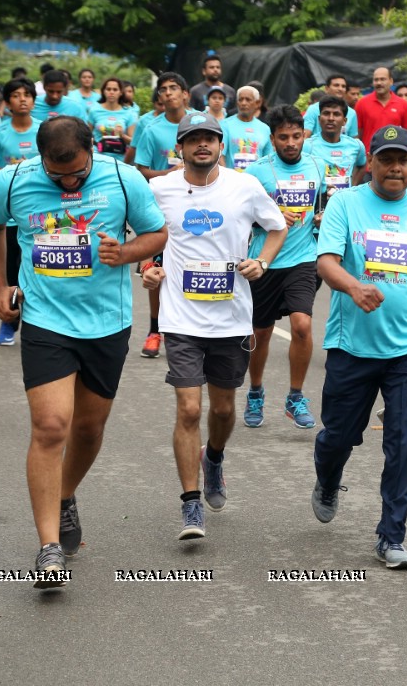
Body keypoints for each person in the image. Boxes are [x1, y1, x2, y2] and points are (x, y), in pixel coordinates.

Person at [0, 116, 167, 587]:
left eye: (77, 174)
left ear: (93, 152)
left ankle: (64, 495)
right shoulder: (13, 180)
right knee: (51, 426)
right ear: (39, 157)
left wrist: (125, 253)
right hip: (45, 320)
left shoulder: (123, 179)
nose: (67, 182)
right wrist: (0, 287)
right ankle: (47, 549)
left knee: (88, 426)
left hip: (107, 321)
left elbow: (157, 234)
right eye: (56, 174)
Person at [312, 125, 407, 570]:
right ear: (371, 164)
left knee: (405, 444)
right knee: (338, 436)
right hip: (351, 346)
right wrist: (354, 288)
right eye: (386, 160)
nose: (396, 168)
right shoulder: (345, 203)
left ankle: (391, 535)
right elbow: (326, 263)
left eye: (404, 160)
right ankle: (328, 477)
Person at [143, 113, 286, 539]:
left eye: (210, 138)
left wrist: (262, 260)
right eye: (193, 139)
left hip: (231, 318)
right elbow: (146, 237)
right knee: (189, 409)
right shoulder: (159, 189)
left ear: (221, 145)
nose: (202, 145)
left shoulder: (245, 187)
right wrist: (148, 267)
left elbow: (276, 229)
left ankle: (215, 458)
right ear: (180, 148)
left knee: (223, 410)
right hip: (181, 317)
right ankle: (190, 506)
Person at [241, 106, 327, 429]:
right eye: (283, 137)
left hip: (304, 257)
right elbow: (242, 217)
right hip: (265, 260)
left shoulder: (317, 165)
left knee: (302, 325)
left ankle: (295, 396)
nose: (291, 143)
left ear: (304, 134)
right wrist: (270, 214)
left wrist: (321, 218)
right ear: (272, 138)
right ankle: (256, 391)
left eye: (296, 136)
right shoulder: (256, 172)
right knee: (260, 333)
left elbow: (322, 202)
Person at [0, 78, 41, 346]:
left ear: (34, 100)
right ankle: (9, 322)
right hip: (10, 213)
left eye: (27, 95)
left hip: (40, 214)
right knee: (12, 269)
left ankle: (40, 325)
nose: (22, 99)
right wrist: (15, 170)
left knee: (40, 266)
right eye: (16, 95)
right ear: (7, 101)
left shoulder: (44, 131)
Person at [129, 72, 189, 359]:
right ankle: (155, 330)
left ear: (185, 94)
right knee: (157, 271)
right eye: (163, 90)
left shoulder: (198, 123)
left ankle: (188, 329)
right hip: (161, 208)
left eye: (174, 88)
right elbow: (140, 170)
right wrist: (169, 174)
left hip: (195, 207)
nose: (168, 93)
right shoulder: (152, 130)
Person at [306, 95, 366, 198]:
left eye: (336, 114)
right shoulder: (307, 146)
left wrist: (352, 186)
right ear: (320, 119)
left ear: (344, 121)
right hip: (317, 204)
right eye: (326, 113)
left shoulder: (356, 145)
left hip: (345, 203)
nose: (331, 118)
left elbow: (362, 165)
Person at [355, 67, 407, 156]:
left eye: (383, 79)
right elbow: (357, 134)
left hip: (393, 158)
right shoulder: (362, 103)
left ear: (391, 81)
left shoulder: (403, 104)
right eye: (376, 80)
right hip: (369, 159)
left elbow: (406, 134)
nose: (379, 83)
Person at [220, 86, 274, 173]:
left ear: (257, 103)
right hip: (233, 180)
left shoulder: (265, 128)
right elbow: (220, 155)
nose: (243, 103)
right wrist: (227, 177)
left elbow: (269, 159)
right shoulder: (225, 125)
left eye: (248, 99)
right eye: (240, 99)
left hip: (256, 180)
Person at [87, 77, 137, 159]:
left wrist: (122, 136)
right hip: (98, 157)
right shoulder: (94, 110)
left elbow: (133, 142)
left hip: (119, 158)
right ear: (103, 91)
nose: (111, 92)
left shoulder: (129, 113)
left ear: (121, 92)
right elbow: (87, 136)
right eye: (108, 89)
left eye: (115, 89)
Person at [303, 74, 359, 140]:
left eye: (343, 86)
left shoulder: (352, 113)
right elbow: (305, 135)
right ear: (326, 89)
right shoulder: (313, 109)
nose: (340, 89)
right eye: (336, 85)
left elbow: (354, 138)